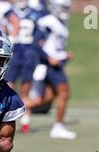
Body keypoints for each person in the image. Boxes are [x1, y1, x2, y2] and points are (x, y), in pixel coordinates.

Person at [23, 0, 77, 139]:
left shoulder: (61, 22)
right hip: (49, 65)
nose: (65, 10)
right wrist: (48, 58)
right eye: (63, 7)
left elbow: (56, 45)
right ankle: (58, 127)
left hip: (56, 63)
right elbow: (36, 43)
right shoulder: (47, 21)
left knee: (46, 98)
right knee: (64, 93)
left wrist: (64, 55)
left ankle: (9, 107)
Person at [6, 0, 46, 133]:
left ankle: (25, 122)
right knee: (7, 89)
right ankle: (4, 120)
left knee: (25, 91)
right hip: (12, 54)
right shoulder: (8, 12)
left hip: (28, 55)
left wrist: (39, 58)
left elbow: (40, 38)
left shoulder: (35, 13)